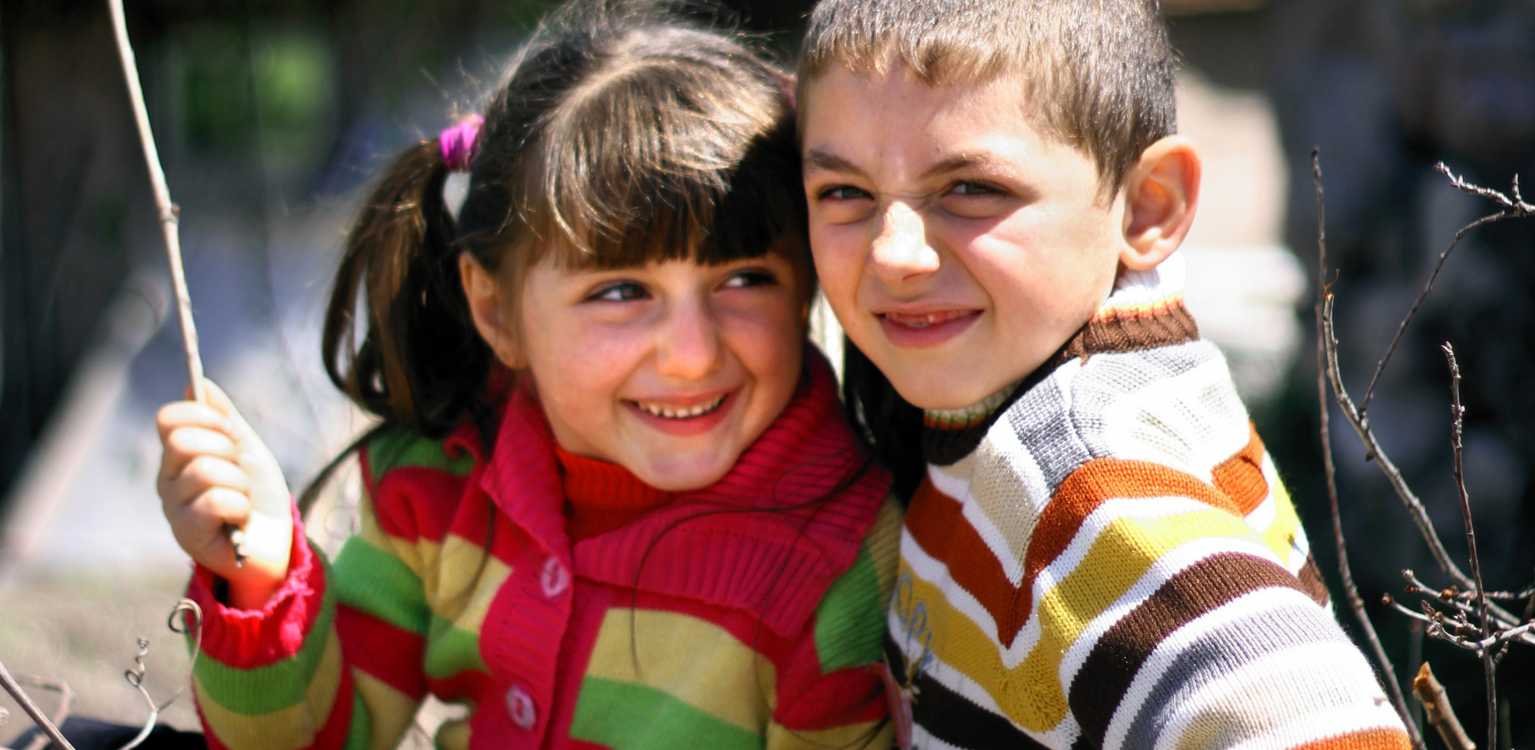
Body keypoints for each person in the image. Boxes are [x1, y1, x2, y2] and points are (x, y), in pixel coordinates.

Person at [152, 3, 897, 747]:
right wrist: (259, 577)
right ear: (496, 310)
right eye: (620, 292)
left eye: (744, 279)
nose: (693, 354)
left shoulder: (840, 564)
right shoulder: (440, 480)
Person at [793, 0, 1413, 747]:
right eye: (845, 193)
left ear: (1148, 206)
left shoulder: (1088, 484)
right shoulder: (1018, 404)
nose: (893, 254)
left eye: (970, 190)